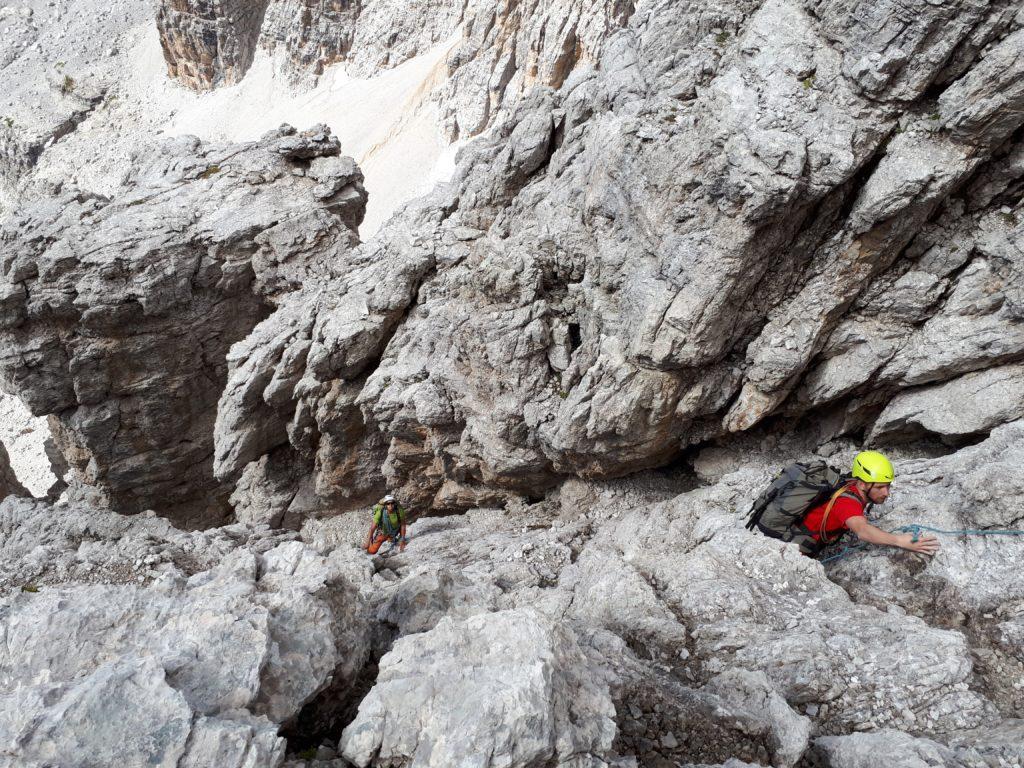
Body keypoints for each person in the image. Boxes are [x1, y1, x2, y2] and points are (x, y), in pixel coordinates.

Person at [800, 450, 940, 556]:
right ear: (862, 484)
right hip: (799, 545)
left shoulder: (852, 485)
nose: (886, 493)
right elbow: (863, 531)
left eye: (888, 486)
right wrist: (900, 541)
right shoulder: (847, 503)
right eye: (879, 487)